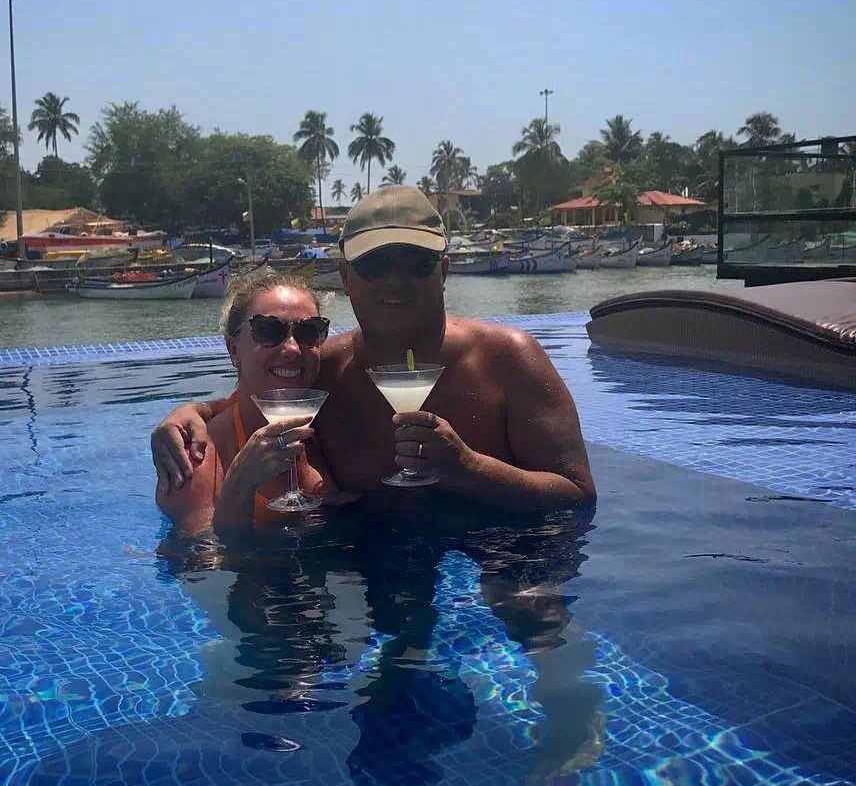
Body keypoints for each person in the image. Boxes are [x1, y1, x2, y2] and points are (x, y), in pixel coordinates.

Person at [154, 185, 596, 512]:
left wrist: (468, 468)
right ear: (345, 277)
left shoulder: (509, 359)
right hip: (367, 572)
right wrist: (191, 413)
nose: (395, 280)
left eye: (416, 263)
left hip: (505, 557)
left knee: (536, 624)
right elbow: (258, 394)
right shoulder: (326, 370)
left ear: (443, 270)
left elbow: (578, 494)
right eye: (374, 264)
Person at [155, 269, 349, 534]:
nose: (292, 349)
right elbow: (198, 567)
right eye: (269, 330)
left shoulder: (331, 420)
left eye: (309, 331)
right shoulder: (196, 459)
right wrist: (240, 484)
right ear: (233, 349)